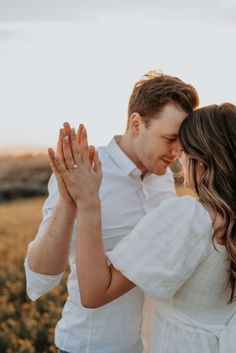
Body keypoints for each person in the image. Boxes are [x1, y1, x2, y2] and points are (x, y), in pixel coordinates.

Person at [24, 71, 199, 353]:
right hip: (87, 346)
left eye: (182, 142)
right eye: (170, 138)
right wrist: (69, 202)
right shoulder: (85, 171)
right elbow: (40, 275)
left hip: (146, 345)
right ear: (136, 123)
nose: (177, 151)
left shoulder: (164, 177)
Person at [50, 103, 236, 353]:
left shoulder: (189, 216)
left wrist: (88, 201)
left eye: (183, 151)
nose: (178, 158)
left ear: (200, 161)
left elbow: (94, 293)